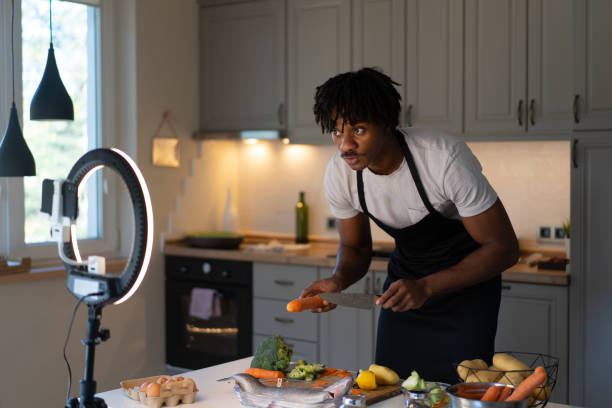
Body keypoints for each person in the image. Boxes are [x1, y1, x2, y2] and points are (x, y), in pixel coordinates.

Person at [299, 67, 519, 384]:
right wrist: (338, 280)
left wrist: (427, 287)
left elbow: (503, 248)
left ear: (388, 122)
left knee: (458, 393)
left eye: (358, 130)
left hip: (466, 293)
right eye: (336, 132)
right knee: (390, 387)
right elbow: (356, 247)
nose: (344, 145)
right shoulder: (341, 174)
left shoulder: (442, 159)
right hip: (404, 290)